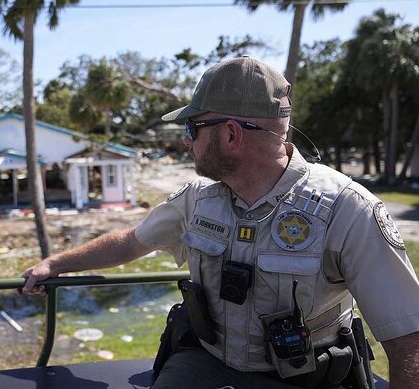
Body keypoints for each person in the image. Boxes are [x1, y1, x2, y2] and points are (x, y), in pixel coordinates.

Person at [21, 57, 419, 388]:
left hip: (304, 379)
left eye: (192, 128)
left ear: (230, 135)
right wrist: (55, 265)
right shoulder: (197, 198)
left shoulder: (348, 210)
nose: (185, 141)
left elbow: (408, 341)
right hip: (206, 364)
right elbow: (130, 242)